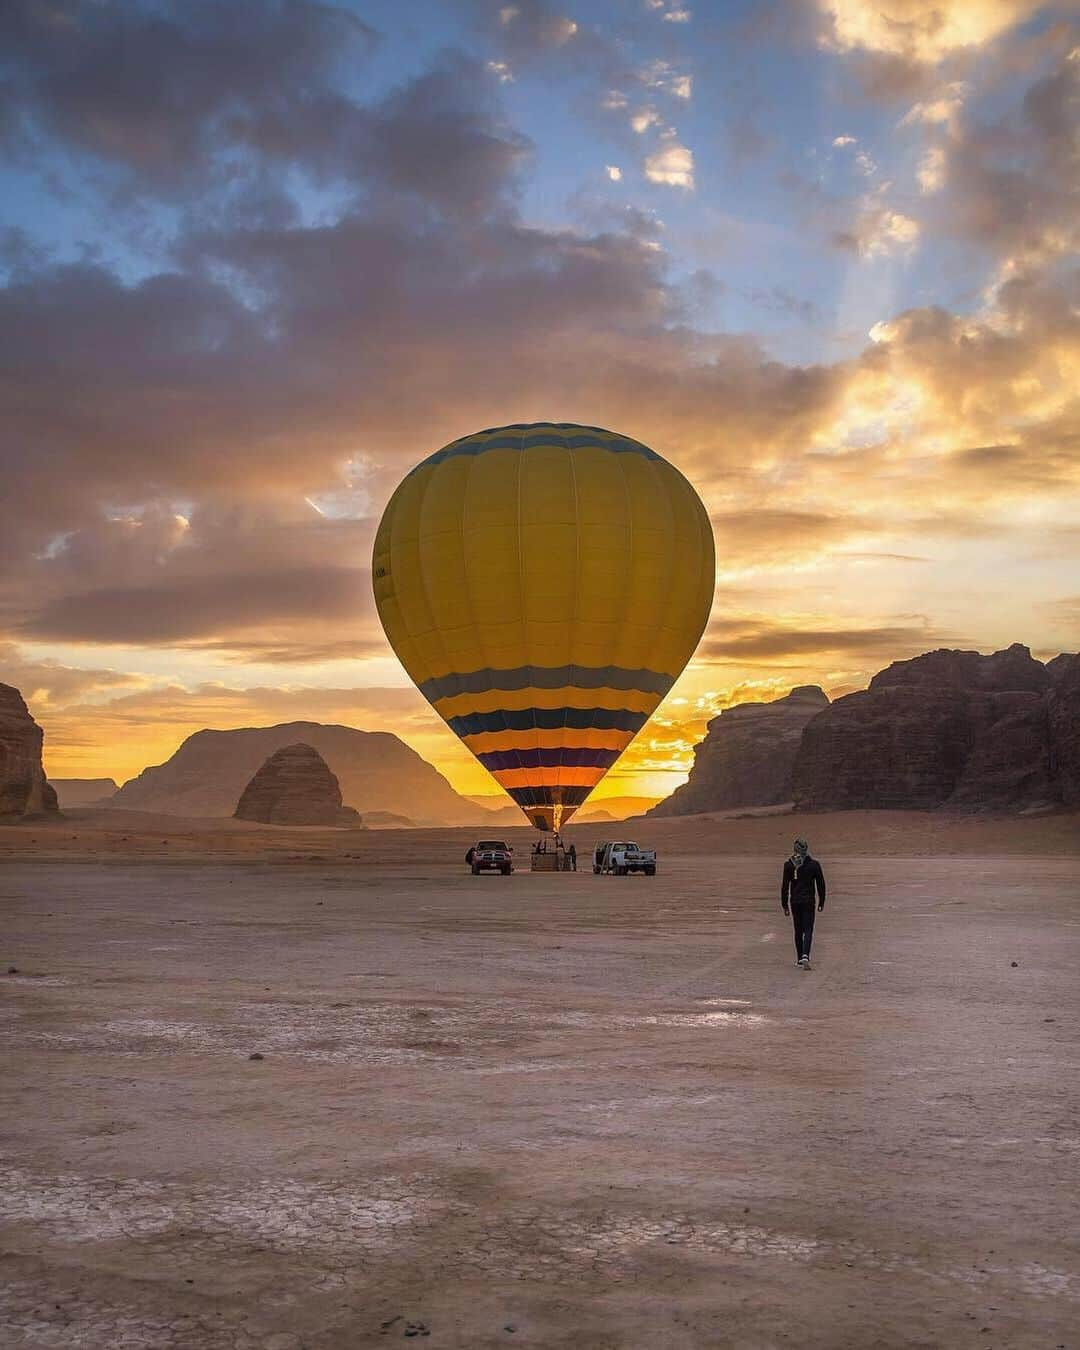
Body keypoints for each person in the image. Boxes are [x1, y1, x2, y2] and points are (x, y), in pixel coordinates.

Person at [781, 838, 826, 970]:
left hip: (795, 902)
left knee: (798, 930)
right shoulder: (814, 865)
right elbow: (821, 885)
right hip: (809, 902)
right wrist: (822, 901)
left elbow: (784, 887)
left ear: (795, 849)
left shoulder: (789, 865)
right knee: (808, 929)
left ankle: (800, 958)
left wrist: (784, 905)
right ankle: (805, 955)